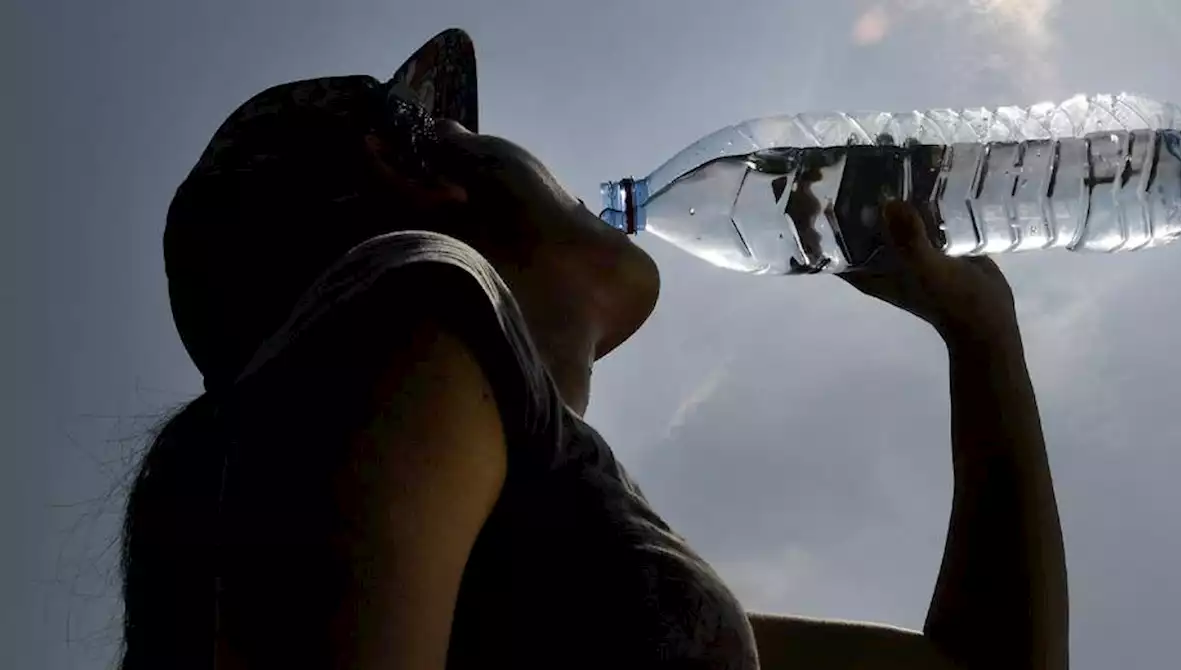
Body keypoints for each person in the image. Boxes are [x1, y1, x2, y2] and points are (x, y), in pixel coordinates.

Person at [120, 29, 1067, 670]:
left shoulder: (601, 577)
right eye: (470, 133)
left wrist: (982, 337)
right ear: (416, 172)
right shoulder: (419, 302)